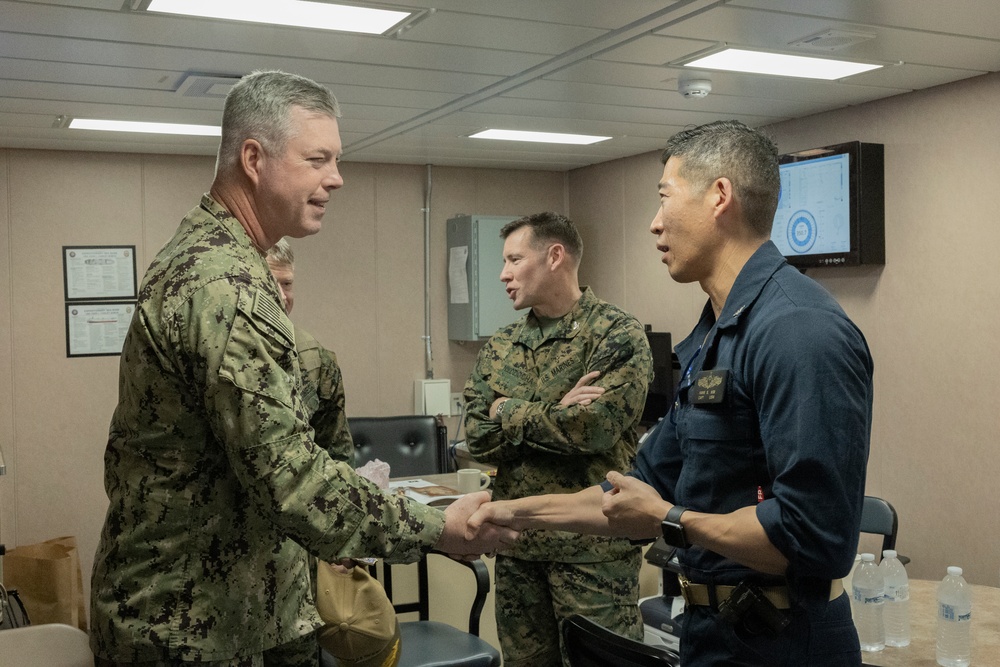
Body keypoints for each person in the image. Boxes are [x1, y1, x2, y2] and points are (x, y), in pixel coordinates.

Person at [89, 70, 515, 667]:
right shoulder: (224, 287)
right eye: (318, 159)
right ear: (254, 158)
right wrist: (437, 529)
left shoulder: (223, 265)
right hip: (196, 633)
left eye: (336, 160)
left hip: (230, 618)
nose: (336, 178)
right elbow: (290, 478)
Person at [468, 120, 874, 666]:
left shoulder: (798, 329)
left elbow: (815, 536)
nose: (655, 225)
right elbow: (631, 491)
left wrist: (669, 520)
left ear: (719, 197)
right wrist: (509, 515)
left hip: (783, 640)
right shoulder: (717, 334)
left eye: (664, 198)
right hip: (713, 631)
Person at [463, 212, 653, 667]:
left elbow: (595, 428)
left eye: (514, 259)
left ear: (554, 256)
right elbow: (476, 437)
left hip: (593, 556)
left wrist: (507, 409)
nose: (503, 274)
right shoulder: (502, 344)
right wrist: (556, 410)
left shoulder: (617, 334)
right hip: (518, 552)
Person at [263, 238, 354, 666]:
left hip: (294, 573)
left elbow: (337, 461)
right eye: (271, 283)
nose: (282, 296)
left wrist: (341, 545)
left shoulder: (315, 360)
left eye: (288, 284)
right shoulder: (215, 354)